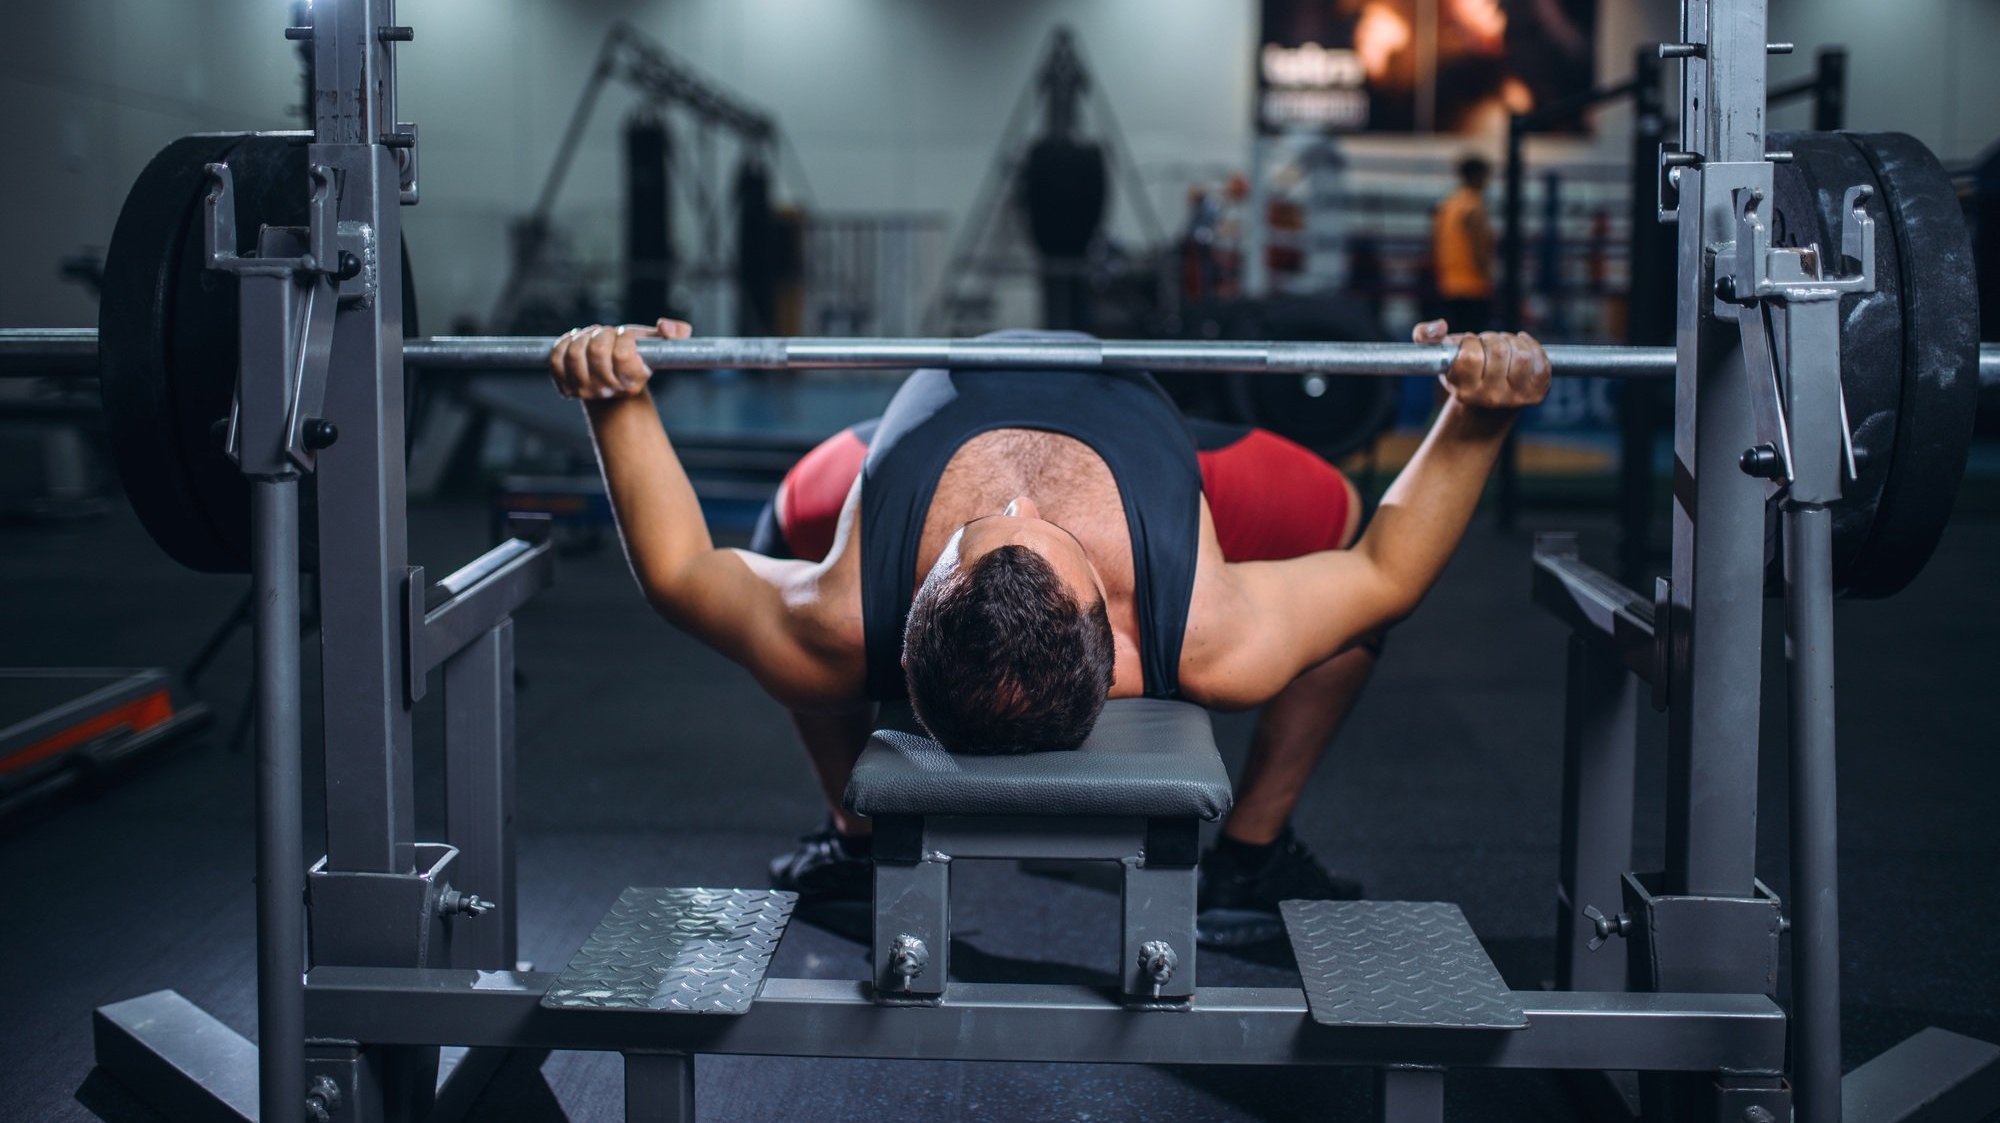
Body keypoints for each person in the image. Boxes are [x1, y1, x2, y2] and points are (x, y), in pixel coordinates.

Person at [547, 319, 1550, 941]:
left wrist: (614, 398)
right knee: (1333, 529)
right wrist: (1474, 417)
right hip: (1155, 432)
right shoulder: (1207, 633)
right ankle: (1248, 851)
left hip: (912, 431)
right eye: (1025, 537)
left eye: (995, 536)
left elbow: (678, 572)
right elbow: (1385, 569)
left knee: (789, 576)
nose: (1020, 509)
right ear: (1111, 635)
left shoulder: (845, 617)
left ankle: (1246, 849)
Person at [1432, 155, 1497, 332]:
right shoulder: (1473, 206)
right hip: (1473, 286)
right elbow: (1479, 247)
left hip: (1448, 283)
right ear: (1478, 176)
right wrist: (1489, 276)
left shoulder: (1448, 204)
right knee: (1474, 341)